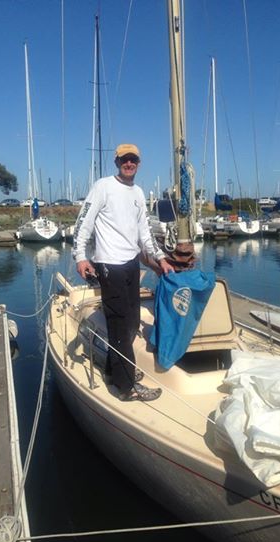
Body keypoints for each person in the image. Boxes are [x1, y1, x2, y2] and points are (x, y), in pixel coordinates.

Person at [73, 144, 174, 402]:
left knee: (130, 325)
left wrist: (160, 258)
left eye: (133, 160)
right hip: (109, 266)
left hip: (130, 265)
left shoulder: (138, 193)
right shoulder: (103, 187)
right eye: (124, 159)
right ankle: (126, 387)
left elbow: (145, 233)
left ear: (138, 163)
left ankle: (113, 371)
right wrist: (81, 256)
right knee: (119, 326)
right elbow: (83, 222)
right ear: (117, 162)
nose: (129, 163)